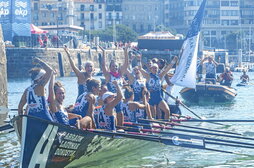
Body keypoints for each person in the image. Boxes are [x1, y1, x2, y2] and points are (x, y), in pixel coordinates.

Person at [139, 55, 178, 119]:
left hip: (159, 98)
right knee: (153, 115)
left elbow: (167, 68)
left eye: (156, 68)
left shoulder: (160, 76)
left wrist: (173, 61)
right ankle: (154, 125)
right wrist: (138, 60)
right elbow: (140, 68)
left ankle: (166, 124)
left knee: (167, 110)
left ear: (158, 69)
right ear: (151, 69)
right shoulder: (148, 76)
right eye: (153, 68)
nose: (155, 69)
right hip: (151, 98)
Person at [99, 45, 129, 126]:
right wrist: (104, 52)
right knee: (113, 113)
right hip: (111, 99)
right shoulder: (108, 76)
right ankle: (113, 127)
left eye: (116, 66)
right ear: (110, 67)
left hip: (119, 98)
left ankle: (120, 127)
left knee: (120, 112)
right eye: (113, 66)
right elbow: (103, 66)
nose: (115, 67)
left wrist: (125, 51)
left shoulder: (120, 74)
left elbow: (126, 64)